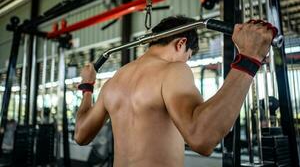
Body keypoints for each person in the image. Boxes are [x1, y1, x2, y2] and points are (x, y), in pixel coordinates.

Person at [75, 16, 275, 167]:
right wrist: (249, 59)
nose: (186, 63)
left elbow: (81, 135)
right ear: (181, 43)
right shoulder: (172, 70)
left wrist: (87, 87)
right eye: (188, 57)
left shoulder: (113, 81)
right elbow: (202, 138)